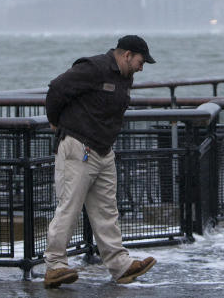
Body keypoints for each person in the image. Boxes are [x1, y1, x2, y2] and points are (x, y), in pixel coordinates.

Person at [42, 35, 157, 288]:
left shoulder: (125, 77)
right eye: (140, 61)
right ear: (126, 54)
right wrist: (55, 122)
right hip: (78, 146)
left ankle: (120, 265)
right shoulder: (93, 68)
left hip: (104, 151)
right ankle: (55, 266)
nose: (141, 67)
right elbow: (57, 89)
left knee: (107, 210)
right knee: (69, 207)